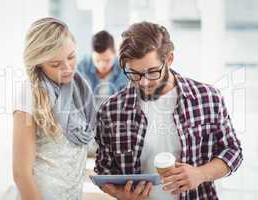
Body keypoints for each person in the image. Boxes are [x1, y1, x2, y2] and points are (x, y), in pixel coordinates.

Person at [94, 21, 243, 200]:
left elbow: (233, 151)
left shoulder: (208, 98)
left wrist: (201, 174)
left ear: (169, 59)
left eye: (152, 72)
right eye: (134, 73)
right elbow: (104, 169)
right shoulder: (111, 111)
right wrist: (121, 194)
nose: (143, 82)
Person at [2, 17, 95, 200]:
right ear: (39, 64)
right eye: (55, 64)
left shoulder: (79, 90)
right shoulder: (30, 93)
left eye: (71, 56)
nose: (67, 67)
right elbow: (21, 173)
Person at [77, 30, 128, 108]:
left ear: (115, 53)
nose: (102, 65)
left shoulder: (124, 70)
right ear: (92, 54)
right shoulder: (82, 66)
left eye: (107, 60)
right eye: (97, 60)